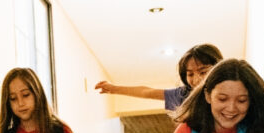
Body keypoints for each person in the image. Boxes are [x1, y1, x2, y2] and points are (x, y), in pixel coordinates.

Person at [95, 44, 223, 111]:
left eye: (203, 72)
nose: (196, 79)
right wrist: (114, 89)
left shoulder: (231, 89)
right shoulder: (183, 95)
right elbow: (147, 92)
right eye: (190, 74)